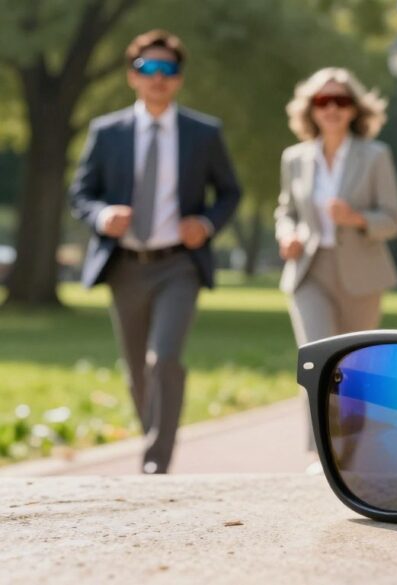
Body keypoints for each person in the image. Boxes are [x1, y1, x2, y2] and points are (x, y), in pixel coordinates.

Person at [68, 30, 242, 474]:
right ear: (133, 75)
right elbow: (81, 193)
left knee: (163, 358)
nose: (158, 77)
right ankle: (154, 438)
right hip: (124, 265)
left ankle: (155, 464)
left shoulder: (203, 133)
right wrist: (102, 215)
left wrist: (205, 224)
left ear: (179, 78)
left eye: (168, 69)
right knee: (136, 371)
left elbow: (229, 192)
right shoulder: (107, 132)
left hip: (178, 265)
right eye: (148, 68)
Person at [275, 68, 397, 456]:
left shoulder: (376, 155)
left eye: (341, 100)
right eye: (322, 101)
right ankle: (320, 453)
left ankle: (352, 453)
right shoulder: (294, 158)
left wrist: (356, 218)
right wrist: (287, 234)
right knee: (317, 361)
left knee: (353, 369)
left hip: (361, 275)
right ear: (310, 109)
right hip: (309, 271)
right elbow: (286, 211)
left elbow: (393, 219)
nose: (331, 108)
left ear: (355, 109)